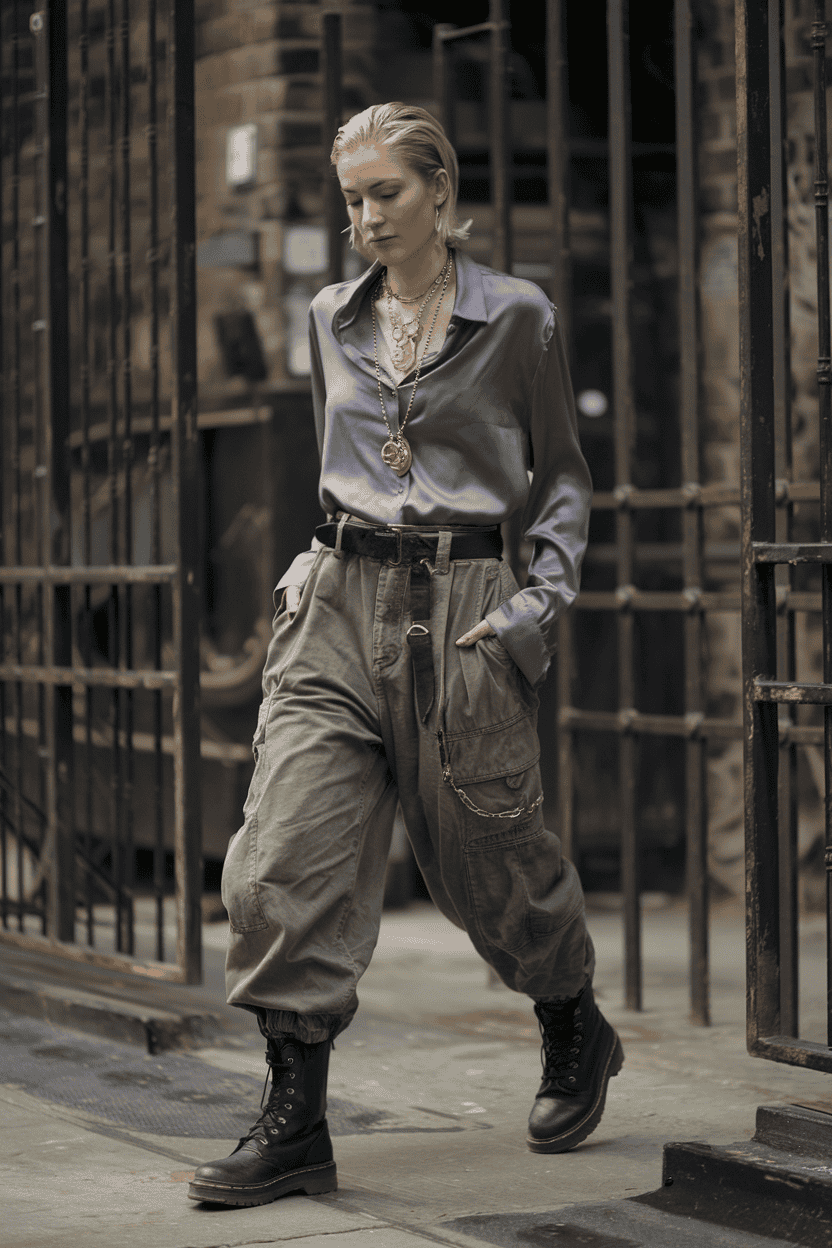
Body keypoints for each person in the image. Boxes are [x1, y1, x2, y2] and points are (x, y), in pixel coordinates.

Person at [188, 102, 623, 1209]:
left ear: (440, 190)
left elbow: (564, 477)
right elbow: (337, 457)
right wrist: (307, 565)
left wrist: (539, 600)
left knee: (490, 860)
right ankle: (296, 1120)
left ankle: (570, 1017)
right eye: (352, 199)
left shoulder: (515, 316)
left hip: (467, 601)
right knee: (282, 846)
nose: (367, 217)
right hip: (335, 599)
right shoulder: (331, 314)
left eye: (387, 192)